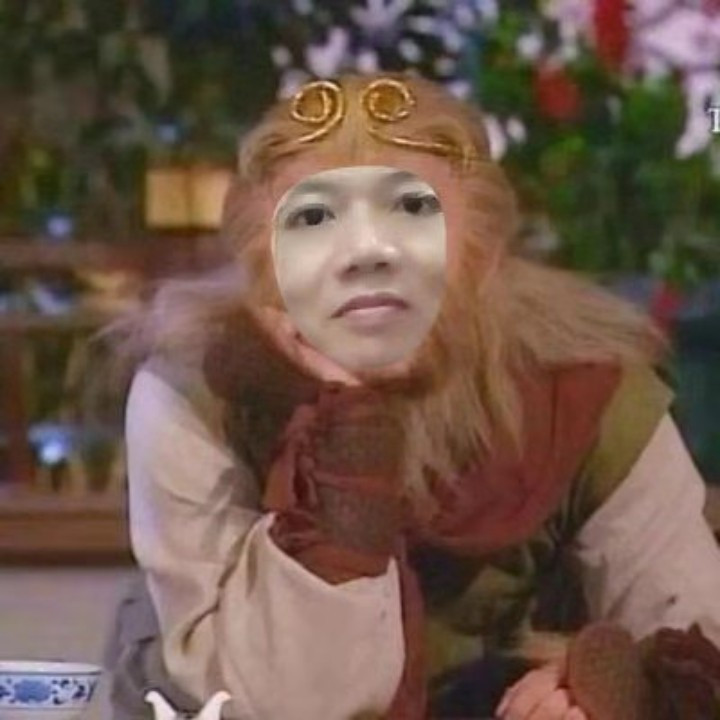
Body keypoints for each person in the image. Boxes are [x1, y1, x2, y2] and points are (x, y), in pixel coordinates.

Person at [104, 73, 720, 720]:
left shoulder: (581, 385)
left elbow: (698, 644)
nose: (366, 253)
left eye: (409, 209)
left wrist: (605, 683)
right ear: (265, 262)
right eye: (314, 218)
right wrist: (349, 446)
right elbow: (285, 703)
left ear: (481, 250)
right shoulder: (197, 393)